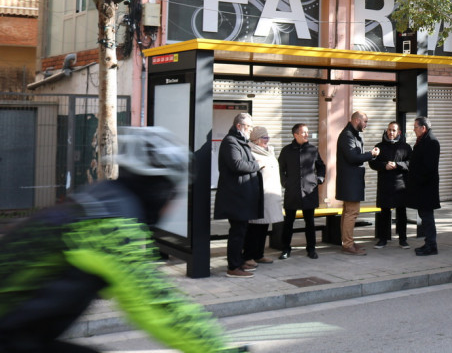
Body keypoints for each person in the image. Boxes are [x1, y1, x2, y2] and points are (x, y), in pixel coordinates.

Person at [0, 126, 242, 352]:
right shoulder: (110, 225)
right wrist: (217, 348)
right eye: (175, 191)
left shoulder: (96, 201)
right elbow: (155, 305)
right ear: (160, 190)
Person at [214, 112, 263, 278]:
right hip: (235, 196)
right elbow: (236, 164)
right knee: (237, 232)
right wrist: (256, 165)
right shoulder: (230, 141)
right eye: (248, 127)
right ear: (239, 126)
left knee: (241, 231)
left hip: (243, 196)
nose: (250, 130)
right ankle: (233, 267)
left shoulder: (241, 142)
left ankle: (239, 261)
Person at [278, 123, 326, 259]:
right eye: (304, 132)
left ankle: (311, 249)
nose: (307, 135)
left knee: (309, 222)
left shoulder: (312, 149)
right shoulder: (286, 151)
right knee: (288, 222)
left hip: (309, 191)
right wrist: (285, 183)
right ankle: (285, 249)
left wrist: (319, 179)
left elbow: (321, 166)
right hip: (292, 192)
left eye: (307, 132)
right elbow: (280, 169)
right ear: (295, 135)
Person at [335, 111, 379, 255]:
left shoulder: (353, 134)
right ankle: (347, 244)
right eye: (365, 121)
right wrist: (371, 154)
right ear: (356, 120)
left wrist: (369, 155)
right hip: (350, 181)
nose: (366, 125)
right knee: (352, 212)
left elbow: (356, 155)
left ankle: (347, 241)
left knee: (348, 212)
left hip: (352, 180)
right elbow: (353, 157)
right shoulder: (347, 135)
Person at [368, 121, 411, 249]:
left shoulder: (406, 147)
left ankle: (403, 239)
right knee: (384, 213)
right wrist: (384, 166)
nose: (391, 133)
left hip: (401, 185)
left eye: (393, 130)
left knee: (401, 213)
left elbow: (411, 163)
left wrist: (398, 165)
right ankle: (383, 239)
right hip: (385, 185)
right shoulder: (379, 146)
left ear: (399, 132)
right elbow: (372, 163)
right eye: (389, 130)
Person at [245, 126, 282, 265]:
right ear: (255, 140)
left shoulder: (270, 152)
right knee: (254, 228)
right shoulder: (251, 152)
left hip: (271, 196)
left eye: (267, 137)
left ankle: (259, 254)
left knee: (264, 226)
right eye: (263, 138)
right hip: (259, 196)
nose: (267, 140)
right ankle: (249, 256)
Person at [408, 116, 440, 256]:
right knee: (424, 216)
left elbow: (429, 167)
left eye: (415, 127)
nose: (414, 130)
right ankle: (428, 243)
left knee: (427, 217)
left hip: (426, 187)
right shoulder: (423, 140)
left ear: (423, 128)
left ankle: (431, 246)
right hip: (421, 186)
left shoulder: (431, 142)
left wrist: (417, 178)